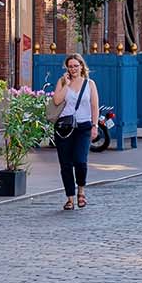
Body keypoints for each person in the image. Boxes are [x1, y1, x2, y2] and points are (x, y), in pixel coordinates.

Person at [52, 53, 99, 210]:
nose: (73, 69)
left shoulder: (89, 84)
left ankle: (81, 191)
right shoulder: (62, 81)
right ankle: (70, 198)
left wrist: (95, 125)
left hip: (83, 127)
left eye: (75, 66)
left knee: (80, 161)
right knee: (65, 164)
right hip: (64, 128)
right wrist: (66, 84)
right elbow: (57, 101)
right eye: (70, 66)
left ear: (81, 66)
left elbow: (94, 106)